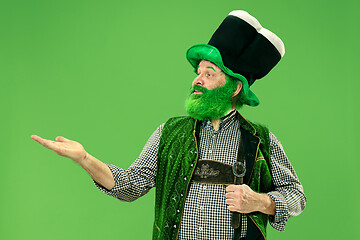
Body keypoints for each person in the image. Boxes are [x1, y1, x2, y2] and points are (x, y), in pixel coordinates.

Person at [31, 10, 306, 240]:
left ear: (235, 88)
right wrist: (84, 158)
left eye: (209, 74)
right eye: (198, 73)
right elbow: (131, 184)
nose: (196, 80)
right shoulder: (170, 132)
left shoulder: (260, 140)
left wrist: (260, 202)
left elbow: (295, 195)